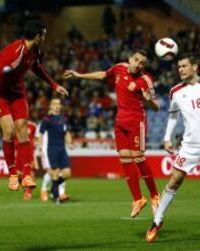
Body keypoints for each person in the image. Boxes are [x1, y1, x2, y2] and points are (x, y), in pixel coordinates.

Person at [0, 20, 69, 192]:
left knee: (22, 129)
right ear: (38, 36)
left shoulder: (35, 51)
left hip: (16, 91)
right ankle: (12, 174)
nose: (45, 38)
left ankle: (26, 174)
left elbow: (37, 68)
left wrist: (54, 85)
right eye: (44, 35)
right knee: (9, 131)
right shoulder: (14, 53)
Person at [145, 53, 200, 245]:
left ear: (195, 67)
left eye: (184, 66)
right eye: (179, 67)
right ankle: (156, 222)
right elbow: (172, 116)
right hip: (190, 146)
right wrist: (166, 137)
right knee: (174, 181)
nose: (181, 70)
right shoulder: (176, 91)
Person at [64, 49, 160, 218]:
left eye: (142, 63)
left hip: (136, 121)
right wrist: (79, 75)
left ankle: (154, 195)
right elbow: (102, 75)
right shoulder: (119, 68)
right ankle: (137, 199)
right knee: (124, 158)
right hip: (120, 121)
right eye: (136, 60)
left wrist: (147, 99)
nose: (138, 64)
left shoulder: (146, 80)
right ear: (130, 59)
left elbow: (156, 107)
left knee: (138, 157)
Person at [37, 98, 73, 204]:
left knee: (67, 173)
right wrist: (39, 147)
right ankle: (56, 198)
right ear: (51, 106)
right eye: (55, 104)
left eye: (59, 104)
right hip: (52, 149)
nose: (57, 106)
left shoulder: (64, 119)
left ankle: (54, 188)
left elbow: (67, 133)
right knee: (55, 173)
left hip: (62, 148)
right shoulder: (47, 119)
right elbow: (41, 134)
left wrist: (69, 143)